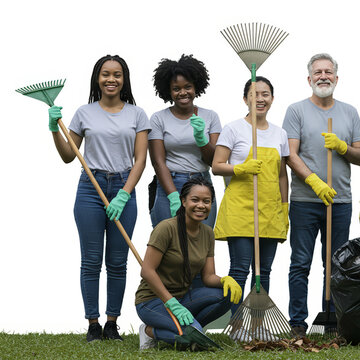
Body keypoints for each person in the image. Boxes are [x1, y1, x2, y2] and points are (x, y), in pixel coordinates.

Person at [47, 55, 150, 341]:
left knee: (118, 261)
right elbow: (69, 156)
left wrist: (124, 194)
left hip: (123, 186)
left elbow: (140, 160)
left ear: (124, 79)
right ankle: (93, 324)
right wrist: (55, 129)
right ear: (97, 78)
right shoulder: (84, 113)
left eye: (117, 74)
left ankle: (112, 323)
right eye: (105, 74)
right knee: (91, 260)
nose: (111, 79)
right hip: (90, 189)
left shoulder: (137, 114)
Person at [283, 53, 360, 337]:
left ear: (336, 78)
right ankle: (297, 323)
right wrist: (315, 181)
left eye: (328, 72)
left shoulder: (349, 112)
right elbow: (290, 154)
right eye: (317, 72)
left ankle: (331, 319)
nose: (323, 76)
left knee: (335, 263)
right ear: (309, 79)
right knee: (300, 262)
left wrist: (343, 148)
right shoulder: (296, 111)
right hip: (305, 201)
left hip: (340, 200)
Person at [212, 76, 289, 341]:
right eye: (254, 93)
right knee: (240, 269)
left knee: (263, 271)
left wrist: (284, 206)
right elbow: (216, 165)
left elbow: (281, 176)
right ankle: (236, 326)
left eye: (265, 94)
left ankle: (257, 325)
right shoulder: (233, 129)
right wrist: (241, 168)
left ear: (272, 99)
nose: (260, 98)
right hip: (240, 209)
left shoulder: (279, 133)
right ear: (245, 98)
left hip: (269, 210)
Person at [135, 177, 242, 350]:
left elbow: (208, 277)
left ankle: (191, 327)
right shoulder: (166, 228)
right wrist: (170, 303)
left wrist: (225, 280)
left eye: (206, 201)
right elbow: (147, 271)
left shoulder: (207, 233)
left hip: (183, 298)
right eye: (195, 200)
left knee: (227, 295)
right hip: (152, 301)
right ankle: (149, 331)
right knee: (190, 338)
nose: (201, 205)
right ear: (183, 201)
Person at [148, 54, 222, 229]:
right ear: (169, 90)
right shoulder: (158, 118)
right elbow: (158, 162)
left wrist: (201, 139)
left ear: (196, 86)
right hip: (168, 184)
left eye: (187, 87)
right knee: (168, 246)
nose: (183, 92)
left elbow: (214, 161)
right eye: (176, 88)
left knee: (201, 245)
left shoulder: (210, 116)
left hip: (202, 184)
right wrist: (173, 196)